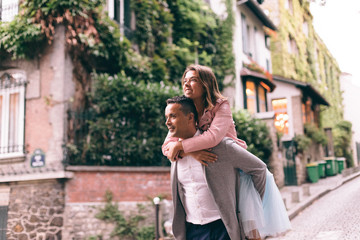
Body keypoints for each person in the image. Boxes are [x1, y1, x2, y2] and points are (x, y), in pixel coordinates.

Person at [162, 65, 291, 239]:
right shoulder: (184, 110)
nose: (187, 84)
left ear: (206, 84)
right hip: (195, 226)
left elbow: (213, 137)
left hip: (232, 164)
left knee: (249, 228)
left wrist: (257, 208)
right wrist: (191, 152)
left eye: (193, 80)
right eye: (185, 80)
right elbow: (167, 147)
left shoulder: (221, 105)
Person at [165, 95, 267, 240]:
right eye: (167, 117)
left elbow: (259, 169)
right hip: (192, 231)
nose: (167, 122)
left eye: (173, 116)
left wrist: (253, 215)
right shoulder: (173, 152)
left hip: (223, 229)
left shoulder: (220, 146)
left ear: (190, 117)